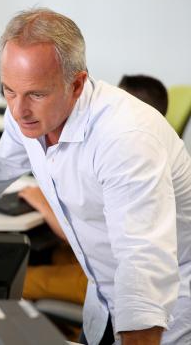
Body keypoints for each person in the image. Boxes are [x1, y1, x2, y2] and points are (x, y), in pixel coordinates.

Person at [0, 8, 191, 344]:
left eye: (36, 94)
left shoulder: (126, 137)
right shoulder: (27, 110)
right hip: (103, 291)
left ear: (77, 84)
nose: (18, 110)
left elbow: (142, 260)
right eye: (9, 90)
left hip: (168, 305)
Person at [21, 73, 170, 306]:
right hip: (103, 262)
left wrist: (41, 202)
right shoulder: (154, 148)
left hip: (111, 277)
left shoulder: (129, 160)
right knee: (46, 255)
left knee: (20, 279)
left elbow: (95, 238)